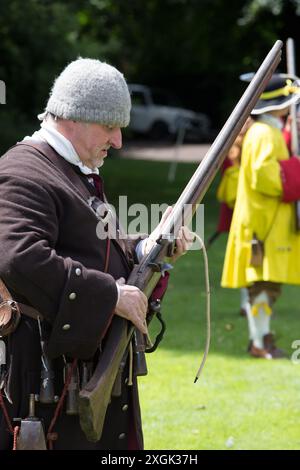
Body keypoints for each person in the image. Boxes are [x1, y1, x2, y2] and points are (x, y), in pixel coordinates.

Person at [0, 58, 192, 450]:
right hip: (43, 378)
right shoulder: (23, 171)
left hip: (77, 370)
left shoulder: (73, 169)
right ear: (75, 117)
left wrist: (147, 245)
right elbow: (18, 257)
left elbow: (98, 246)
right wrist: (110, 296)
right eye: (110, 126)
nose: (118, 140)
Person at [221, 74, 300, 359]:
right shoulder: (266, 133)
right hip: (262, 226)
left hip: (262, 223)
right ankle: (259, 342)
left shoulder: (266, 131)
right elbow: (265, 176)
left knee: (266, 286)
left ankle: (262, 338)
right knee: (263, 287)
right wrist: (296, 170)